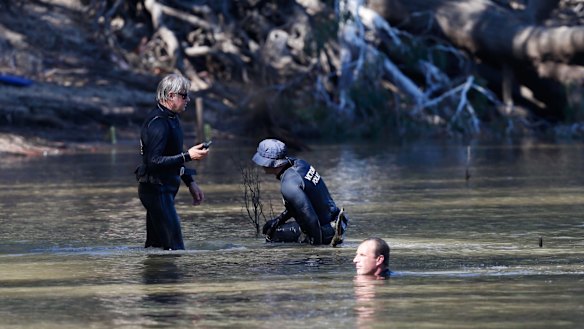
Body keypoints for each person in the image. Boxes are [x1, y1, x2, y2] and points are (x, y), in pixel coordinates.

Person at [134, 73, 209, 250]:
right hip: (155, 190)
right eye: (184, 96)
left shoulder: (172, 119)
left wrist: (190, 182)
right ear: (170, 96)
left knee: (156, 248)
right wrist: (188, 156)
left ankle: (154, 277)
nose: (188, 100)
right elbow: (154, 161)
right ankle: (170, 277)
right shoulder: (158, 122)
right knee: (175, 249)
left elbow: (174, 155)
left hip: (165, 189)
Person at [251, 138, 348, 246]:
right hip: (337, 222)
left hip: (324, 230)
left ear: (267, 162)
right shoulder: (300, 164)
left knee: (272, 236)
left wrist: (316, 254)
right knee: (270, 228)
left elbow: (311, 219)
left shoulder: (288, 184)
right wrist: (278, 220)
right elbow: (299, 205)